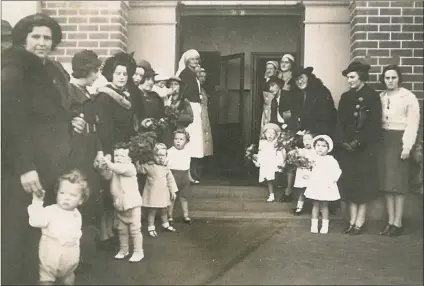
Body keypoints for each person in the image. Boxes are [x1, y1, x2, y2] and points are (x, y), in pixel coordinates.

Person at [1, 13, 86, 285]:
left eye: (47, 37)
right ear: (23, 39)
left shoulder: (50, 69)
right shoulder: (14, 69)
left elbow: (51, 112)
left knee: (39, 234)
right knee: (17, 233)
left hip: (49, 165)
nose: (42, 42)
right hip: (23, 168)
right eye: (35, 36)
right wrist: (25, 168)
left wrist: (71, 121)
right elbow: (12, 123)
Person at [95, 52, 137, 250]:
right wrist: (108, 152)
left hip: (123, 148)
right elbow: (104, 127)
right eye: (118, 73)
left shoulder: (125, 96)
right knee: (108, 190)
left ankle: (114, 228)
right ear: (111, 75)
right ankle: (105, 233)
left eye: (125, 74)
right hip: (110, 147)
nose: (122, 77)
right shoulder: (105, 97)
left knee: (120, 188)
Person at [335, 61, 382, 236]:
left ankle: (359, 221)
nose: (349, 81)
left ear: (361, 76)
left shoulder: (372, 96)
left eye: (352, 77)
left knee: (363, 186)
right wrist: (343, 142)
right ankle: (351, 220)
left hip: (364, 148)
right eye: (348, 78)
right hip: (347, 149)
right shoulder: (345, 97)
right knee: (350, 184)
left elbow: (374, 124)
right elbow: (339, 122)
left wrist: (359, 142)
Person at [68, 49, 103, 271]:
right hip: (73, 158)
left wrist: (99, 151)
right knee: (73, 203)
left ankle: (81, 256)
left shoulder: (86, 94)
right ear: (87, 70)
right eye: (96, 71)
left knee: (87, 203)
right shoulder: (67, 93)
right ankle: (71, 259)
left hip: (88, 156)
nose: (98, 75)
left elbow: (94, 129)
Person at [378, 65, 420, 237]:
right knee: (387, 183)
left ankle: (398, 222)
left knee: (399, 184)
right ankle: (390, 221)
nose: (390, 81)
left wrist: (407, 147)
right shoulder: (381, 96)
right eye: (387, 78)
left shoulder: (408, 97)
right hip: (384, 140)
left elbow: (413, 124)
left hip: (400, 140)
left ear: (399, 79)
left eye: (393, 77)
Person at [27, 170, 90, 285]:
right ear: (57, 193)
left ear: (81, 200)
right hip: (51, 255)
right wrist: (37, 202)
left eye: (73, 195)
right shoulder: (51, 211)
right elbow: (35, 221)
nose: (67, 198)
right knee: (46, 280)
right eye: (62, 193)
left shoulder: (76, 214)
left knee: (69, 278)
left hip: (70, 258)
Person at [97, 143, 144, 262]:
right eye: (116, 155)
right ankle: (124, 250)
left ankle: (139, 251)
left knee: (135, 230)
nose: (118, 158)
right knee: (121, 230)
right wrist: (103, 168)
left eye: (122, 155)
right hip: (120, 205)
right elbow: (106, 176)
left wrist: (109, 163)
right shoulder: (114, 168)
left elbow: (120, 169)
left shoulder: (130, 167)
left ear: (130, 158)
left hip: (132, 205)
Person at [137, 143, 178, 237]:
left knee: (164, 210)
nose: (160, 158)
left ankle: (165, 224)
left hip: (163, 193)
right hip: (152, 194)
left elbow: (170, 180)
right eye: (158, 155)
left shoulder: (166, 168)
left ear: (166, 156)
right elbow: (140, 170)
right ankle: (151, 227)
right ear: (153, 156)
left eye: (163, 155)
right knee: (152, 211)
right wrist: (138, 161)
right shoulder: (149, 166)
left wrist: (173, 191)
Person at [304, 135, 342, 234]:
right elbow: (308, 169)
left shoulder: (331, 160)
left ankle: (325, 225)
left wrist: (332, 181)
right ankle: (314, 225)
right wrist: (307, 175)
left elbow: (337, 171)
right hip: (315, 184)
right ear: (314, 147)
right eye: (318, 145)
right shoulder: (312, 159)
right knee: (315, 204)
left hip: (326, 185)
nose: (320, 148)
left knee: (324, 205)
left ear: (328, 149)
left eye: (324, 146)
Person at [177, 49, 204, 183]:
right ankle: (187, 173)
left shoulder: (193, 74)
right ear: (187, 61)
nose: (195, 62)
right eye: (192, 59)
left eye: (196, 59)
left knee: (194, 141)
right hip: (189, 108)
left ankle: (192, 173)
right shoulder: (185, 74)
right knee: (189, 140)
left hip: (195, 108)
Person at [291, 67, 337, 136]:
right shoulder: (298, 94)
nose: (299, 82)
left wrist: (311, 132)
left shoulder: (321, 91)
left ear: (308, 77)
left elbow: (326, 116)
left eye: (301, 78)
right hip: (306, 133)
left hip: (322, 132)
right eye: (297, 79)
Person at [278, 54, 298, 203]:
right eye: (282, 62)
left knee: (289, 156)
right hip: (277, 119)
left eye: (287, 62)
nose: (284, 64)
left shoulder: (293, 79)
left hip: (289, 120)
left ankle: (289, 190)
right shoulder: (278, 76)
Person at [167, 129, 193, 225]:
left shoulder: (187, 152)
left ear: (186, 141)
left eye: (181, 139)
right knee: (172, 197)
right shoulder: (169, 152)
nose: (178, 141)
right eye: (176, 139)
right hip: (173, 175)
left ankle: (186, 215)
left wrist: (189, 177)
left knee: (184, 197)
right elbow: (166, 167)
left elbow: (188, 166)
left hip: (184, 176)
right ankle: (169, 216)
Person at [254, 123, 285, 202]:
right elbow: (261, 153)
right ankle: (271, 194)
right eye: (268, 133)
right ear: (264, 134)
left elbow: (281, 153)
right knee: (269, 179)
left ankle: (280, 191)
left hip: (275, 162)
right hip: (267, 163)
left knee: (276, 177)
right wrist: (258, 161)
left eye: (272, 133)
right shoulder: (263, 143)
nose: (270, 135)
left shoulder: (277, 143)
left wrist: (281, 162)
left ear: (275, 135)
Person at [162, 76, 193, 148]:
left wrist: (176, 116)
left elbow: (190, 118)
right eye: (171, 84)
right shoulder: (166, 98)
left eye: (176, 84)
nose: (173, 86)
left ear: (180, 86)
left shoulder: (184, 101)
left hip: (178, 132)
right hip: (166, 131)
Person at [292, 131, 315, 215]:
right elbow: (296, 160)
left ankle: (316, 208)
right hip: (303, 173)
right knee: (302, 190)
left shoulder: (315, 151)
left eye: (309, 139)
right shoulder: (301, 151)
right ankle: (299, 207)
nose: (307, 141)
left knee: (314, 189)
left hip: (311, 173)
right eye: (305, 139)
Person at [259, 61, 280, 138]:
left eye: (271, 68)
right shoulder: (265, 81)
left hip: (275, 110)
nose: (269, 70)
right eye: (267, 69)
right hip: (266, 110)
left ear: (276, 70)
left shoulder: (278, 82)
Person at [197, 67, 214, 160]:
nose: (202, 79)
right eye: (200, 76)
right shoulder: (196, 90)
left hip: (204, 115)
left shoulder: (203, 90)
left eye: (204, 77)